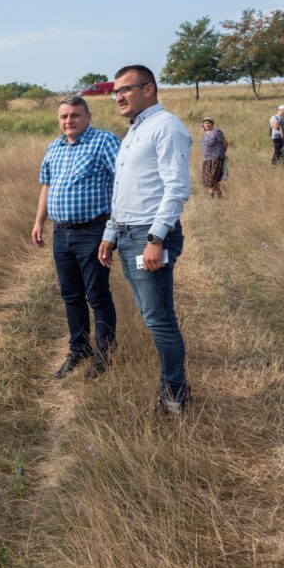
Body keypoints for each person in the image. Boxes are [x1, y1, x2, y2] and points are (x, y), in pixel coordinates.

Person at [97, 65, 192, 414]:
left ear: (148, 89)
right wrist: (110, 233)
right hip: (126, 233)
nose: (118, 97)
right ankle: (172, 389)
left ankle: (174, 397)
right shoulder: (134, 131)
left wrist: (155, 237)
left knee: (159, 320)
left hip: (147, 235)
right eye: (115, 92)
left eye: (125, 89)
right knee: (151, 317)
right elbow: (123, 190)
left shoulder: (167, 126)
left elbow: (176, 188)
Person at [32, 96, 120, 379]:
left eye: (74, 115)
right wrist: (39, 222)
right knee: (70, 294)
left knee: (97, 294)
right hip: (61, 233)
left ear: (88, 116)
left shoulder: (104, 142)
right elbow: (47, 186)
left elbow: (123, 182)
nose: (68, 121)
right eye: (64, 116)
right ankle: (79, 349)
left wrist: (113, 230)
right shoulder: (54, 147)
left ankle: (105, 354)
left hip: (93, 231)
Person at [200, 117, 228, 198]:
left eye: (208, 123)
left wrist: (221, 153)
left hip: (216, 159)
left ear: (212, 124)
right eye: (205, 123)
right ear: (203, 125)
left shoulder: (217, 132)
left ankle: (211, 200)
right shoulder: (205, 134)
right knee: (208, 180)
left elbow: (225, 143)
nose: (206, 124)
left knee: (211, 180)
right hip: (207, 159)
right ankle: (220, 196)